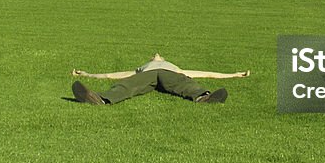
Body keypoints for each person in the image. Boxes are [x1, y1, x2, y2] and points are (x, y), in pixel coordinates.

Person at [71, 54, 236, 105]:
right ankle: (100, 99)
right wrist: (87, 74)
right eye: (154, 55)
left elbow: (204, 73)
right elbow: (112, 75)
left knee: (185, 83)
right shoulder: (142, 68)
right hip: (148, 77)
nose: (156, 54)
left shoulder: (172, 67)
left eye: (159, 55)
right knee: (128, 85)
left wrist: (233, 75)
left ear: (163, 58)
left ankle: (205, 98)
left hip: (169, 75)